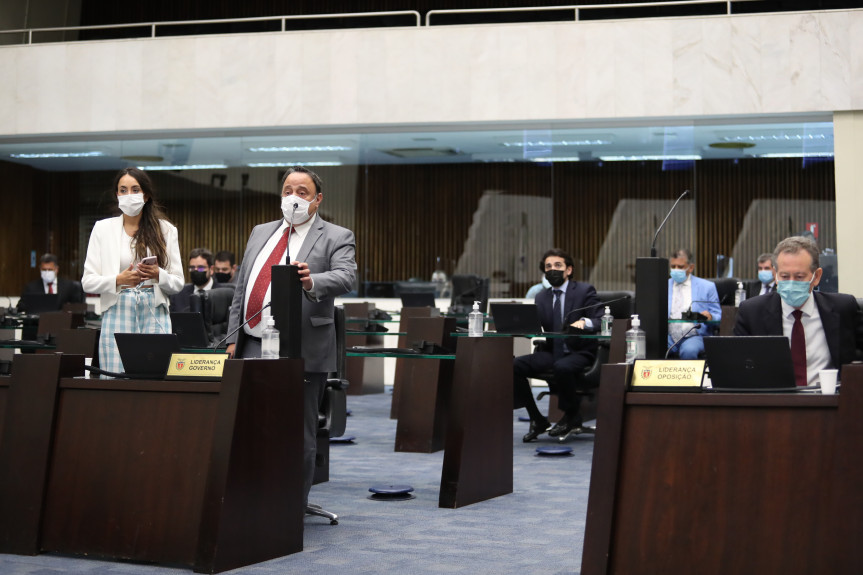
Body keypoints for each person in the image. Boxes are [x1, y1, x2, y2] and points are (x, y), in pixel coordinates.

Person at [225, 166, 356, 508]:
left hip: (302, 347)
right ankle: (252, 497)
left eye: (302, 191)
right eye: (287, 191)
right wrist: (231, 338)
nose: (293, 198)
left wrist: (313, 281)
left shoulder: (336, 235)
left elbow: (346, 276)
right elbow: (243, 288)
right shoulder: (260, 232)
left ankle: (289, 507)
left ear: (317, 199)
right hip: (253, 342)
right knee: (249, 424)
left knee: (298, 431)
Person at [81, 168, 184, 375]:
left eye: (135, 189)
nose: (129, 195)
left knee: (154, 374)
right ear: (117, 195)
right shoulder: (102, 229)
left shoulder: (165, 230)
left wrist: (158, 275)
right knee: (116, 376)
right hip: (118, 308)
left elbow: (178, 283)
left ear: (145, 195)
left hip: (154, 309)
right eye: (123, 190)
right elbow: (88, 282)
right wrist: (118, 279)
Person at [734, 236, 863, 385]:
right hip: (774, 402)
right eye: (784, 276)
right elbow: (737, 367)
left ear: (817, 276)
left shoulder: (843, 308)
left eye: (799, 277)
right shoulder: (751, 312)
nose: (791, 283)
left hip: (829, 401)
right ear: (775, 275)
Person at [513, 248, 604, 442]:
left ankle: (571, 415)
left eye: (557, 265)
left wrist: (585, 322)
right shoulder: (541, 297)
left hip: (579, 351)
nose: (552, 269)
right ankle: (536, 418)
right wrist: (523, 326)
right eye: (548, 267)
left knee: (562, 367)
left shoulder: (584, 291)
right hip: (553, 351)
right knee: (514, 365)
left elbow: (601, 319)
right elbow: (540, 325)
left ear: (568, 270)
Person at [667, 248, 721, 359]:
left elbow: (718, 316)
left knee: (689, 351)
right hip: (668, 336)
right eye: (673, 267)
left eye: (680, 267)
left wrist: (710, 317)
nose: (676, 270)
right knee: (651, 346)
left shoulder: (707, 287)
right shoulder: (663, 285)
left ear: (691, 267)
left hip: (694, 335)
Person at [19, 253, 85, 312]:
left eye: (50, 269)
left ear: (56, 269)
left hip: (62, 322)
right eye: (44, 270)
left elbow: (77, 307)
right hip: (39, 322)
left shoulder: (68, 286)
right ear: (40, 269)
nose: (47, 272)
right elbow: (21, 307)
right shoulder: (31, 288)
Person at [169, 247, 226, 312]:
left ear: (211, 269)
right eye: (192, 268)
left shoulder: (223, 295)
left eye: (200, 268)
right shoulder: (178, 295)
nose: (196, 270)